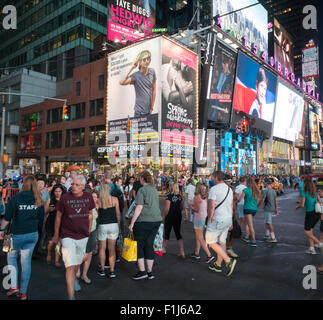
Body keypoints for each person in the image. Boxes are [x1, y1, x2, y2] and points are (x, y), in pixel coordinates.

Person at [0, 176, 44, 300]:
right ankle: (23, 292)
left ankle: (14, 286)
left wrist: (1, 230)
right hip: (32, 235)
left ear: (23, 184)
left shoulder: (15, 198)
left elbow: (7, 218)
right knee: (26, 263)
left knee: (11, 258)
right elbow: (41, 220)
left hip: (13, 234)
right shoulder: (38, 199)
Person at [52, 175, 95, 300]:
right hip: (67, 235)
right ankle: (71, 297)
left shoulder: (88, 197)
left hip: (83, 236)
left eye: (76, 185)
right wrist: (56, 235)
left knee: (77, 263)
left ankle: (75, 277)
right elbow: (58, 217)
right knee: (70, 266)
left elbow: (90, 215)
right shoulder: (65, 198)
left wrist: (89, 231)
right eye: (72, 184)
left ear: (83, 186)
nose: (73, 187)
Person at [129, 171, 162, 280]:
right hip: (156, 220)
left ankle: (142, 271)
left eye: (140, 178)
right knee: (149, 245)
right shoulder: (154, 189)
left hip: (143, 221)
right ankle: (150, 272)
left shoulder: (141, 190)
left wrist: (132, 223)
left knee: (140, 245)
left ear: (143, 179)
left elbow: (139, 207)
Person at [206, 171, 237, 276]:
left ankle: (228, 260)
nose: (211, 179)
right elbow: (231, 206)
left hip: (218, 219)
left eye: (212, 178)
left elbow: (211, 206)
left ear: (216, 178)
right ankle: (218, 264)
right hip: (227, 218)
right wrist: (231, 221)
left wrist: (210, 217)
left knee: (210, 241)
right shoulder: (229, 189)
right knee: (222, 242)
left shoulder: (214, 189)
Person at [120, 50, 156, 116]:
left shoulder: (152, 72)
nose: (146, 61)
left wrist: (152, 107)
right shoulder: (135, 76)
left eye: (148, 59)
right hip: (138, 112)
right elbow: (122, 82)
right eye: (144, 59)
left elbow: (154, 90)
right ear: (139, 62)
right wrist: (132, 68)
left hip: (148, 112)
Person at [97, 182, 120, 279]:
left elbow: (97, 214)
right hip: (113, 225)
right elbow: (118, 214)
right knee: (112, 249)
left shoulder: (98, 200)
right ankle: (112, 271)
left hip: (102, 225)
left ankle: (102, 269)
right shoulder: (114, 199)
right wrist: (119, 226)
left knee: (102, 248)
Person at [296, 179, 323, 255]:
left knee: (306, 231)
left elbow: (302, 205)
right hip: (316, 214)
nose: (303, 185)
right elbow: (320, 203)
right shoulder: (316, 193)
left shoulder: (304, 193)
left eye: (304, 184)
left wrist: (297, 207)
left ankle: (319, 243)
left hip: (310, 214)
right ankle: (312, 249)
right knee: (310, 231)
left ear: (306, 185)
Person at [189, 183, 214, 263]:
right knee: (199, 236)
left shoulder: (196, 197)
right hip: (204, 218)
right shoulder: (204, 197)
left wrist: (190, 206)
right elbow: (205, 208)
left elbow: (196, 209)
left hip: (198, 218)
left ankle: (209, 255)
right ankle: (197, 253)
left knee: (200, 237)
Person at [79, 190, 99, 284]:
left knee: (89, 253)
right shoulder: (84, 206)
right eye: (92, 197)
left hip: (93, 231)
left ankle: (84, 274)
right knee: (82, 253)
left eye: (95, 197)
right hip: (83, 232)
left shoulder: (96, 206)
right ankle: (77, 268)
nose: (94, 198)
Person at [162, 183, 185, 259]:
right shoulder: (179, 197)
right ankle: (182, 251)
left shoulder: (169, 196)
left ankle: (164, 248)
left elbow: (167, 209)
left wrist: (164, 216)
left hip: (170, 216)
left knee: (167, 232)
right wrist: (178, 211)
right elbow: (182, 207)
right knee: (178, 233)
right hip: (178, 216)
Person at [237, 177, 262, 247]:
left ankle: (253, 241)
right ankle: (247, 236)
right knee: (248, 223)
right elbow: (258, 200)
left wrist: (235, 201)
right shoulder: (256, 190)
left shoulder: (245, 190)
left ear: (247, 183)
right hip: (254, 209)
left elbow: (240, 199)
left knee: (250, 225)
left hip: (247, 209)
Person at [45, 184, 65, 267]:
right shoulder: (50, 200)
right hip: (51, 222)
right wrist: (50, 209)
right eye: (56, 191)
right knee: (51, 242)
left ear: (62, 192)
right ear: (53, 192)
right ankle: (49, 253)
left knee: (59, 243)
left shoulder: (64, 200)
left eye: (59, 191)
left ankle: (57, 260)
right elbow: (45, 212)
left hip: (61, 223)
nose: (58, 193)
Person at [261, 178, 278, 243]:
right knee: (267, 222)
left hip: (267, 208)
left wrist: (258, 205)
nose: (263, 183)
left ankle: (273, 237)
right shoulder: (273, 191)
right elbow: (275, 200)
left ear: (266, 183)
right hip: (272, 208)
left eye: (264, 182)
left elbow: (263, 199)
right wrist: (276, 208)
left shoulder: (266, 190)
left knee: (269, 222)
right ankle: (267, 234)